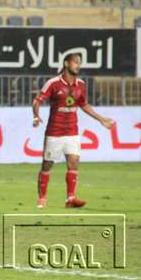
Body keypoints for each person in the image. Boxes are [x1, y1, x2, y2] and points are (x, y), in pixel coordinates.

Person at [32, 53, 113, 209]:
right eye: (75, 62)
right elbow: (37, 101)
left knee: (74, 162)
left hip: (72, 131)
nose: (78, 65)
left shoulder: (81, 84)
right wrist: (36, 116)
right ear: (66, 63)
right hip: (54, 132)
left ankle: (70, 198)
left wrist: (101, 118)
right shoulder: (53, 83)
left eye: (79, 62)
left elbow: (83, 104)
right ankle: (42, 199)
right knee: (47, 165)